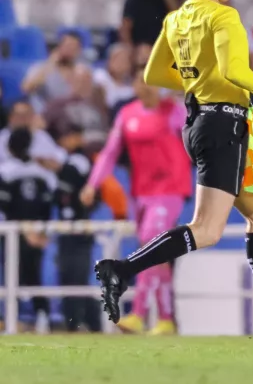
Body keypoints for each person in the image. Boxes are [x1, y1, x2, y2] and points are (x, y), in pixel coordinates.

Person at [93, 0, 253, 341]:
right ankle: (121, 270)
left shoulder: (175, 19)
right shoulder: (224, 17)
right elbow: (235, 70)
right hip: (225, 125)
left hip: (202, 123)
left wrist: (197, 82)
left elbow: (155, 73)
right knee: (206, 230)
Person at [82, 66, 193, 335]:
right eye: (140, 81)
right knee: (155, 252)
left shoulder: (173, 111)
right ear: (133, 86)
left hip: (171, 190)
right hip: (141, 194)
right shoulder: (127, 114)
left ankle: (139, 314)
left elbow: (195, 137)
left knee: (150, 241)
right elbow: (110, 152)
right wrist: (92, 183)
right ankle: (166, 319)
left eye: (152, 81)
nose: (146, 86)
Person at [0, 128, 55, 331]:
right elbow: (47, 207)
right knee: (30, 275)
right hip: (28, 233)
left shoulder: (6, 171)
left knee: (14, 275)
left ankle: (14, 319)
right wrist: (40, 231)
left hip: (16, 233)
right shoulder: (39, 172)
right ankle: (39, 317)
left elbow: (5, 208)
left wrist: (33, 231)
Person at [53, 123, 102, 333]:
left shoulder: (79, 162)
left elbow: (87, 196)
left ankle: (76, 326)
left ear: (76, 137)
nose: (63, 141)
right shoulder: (76, 161)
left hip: (77, 230)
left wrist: (79, 212)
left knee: (74, 279)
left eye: (67, 136)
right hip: (71, 229)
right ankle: (88, 324)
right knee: (71, 279)